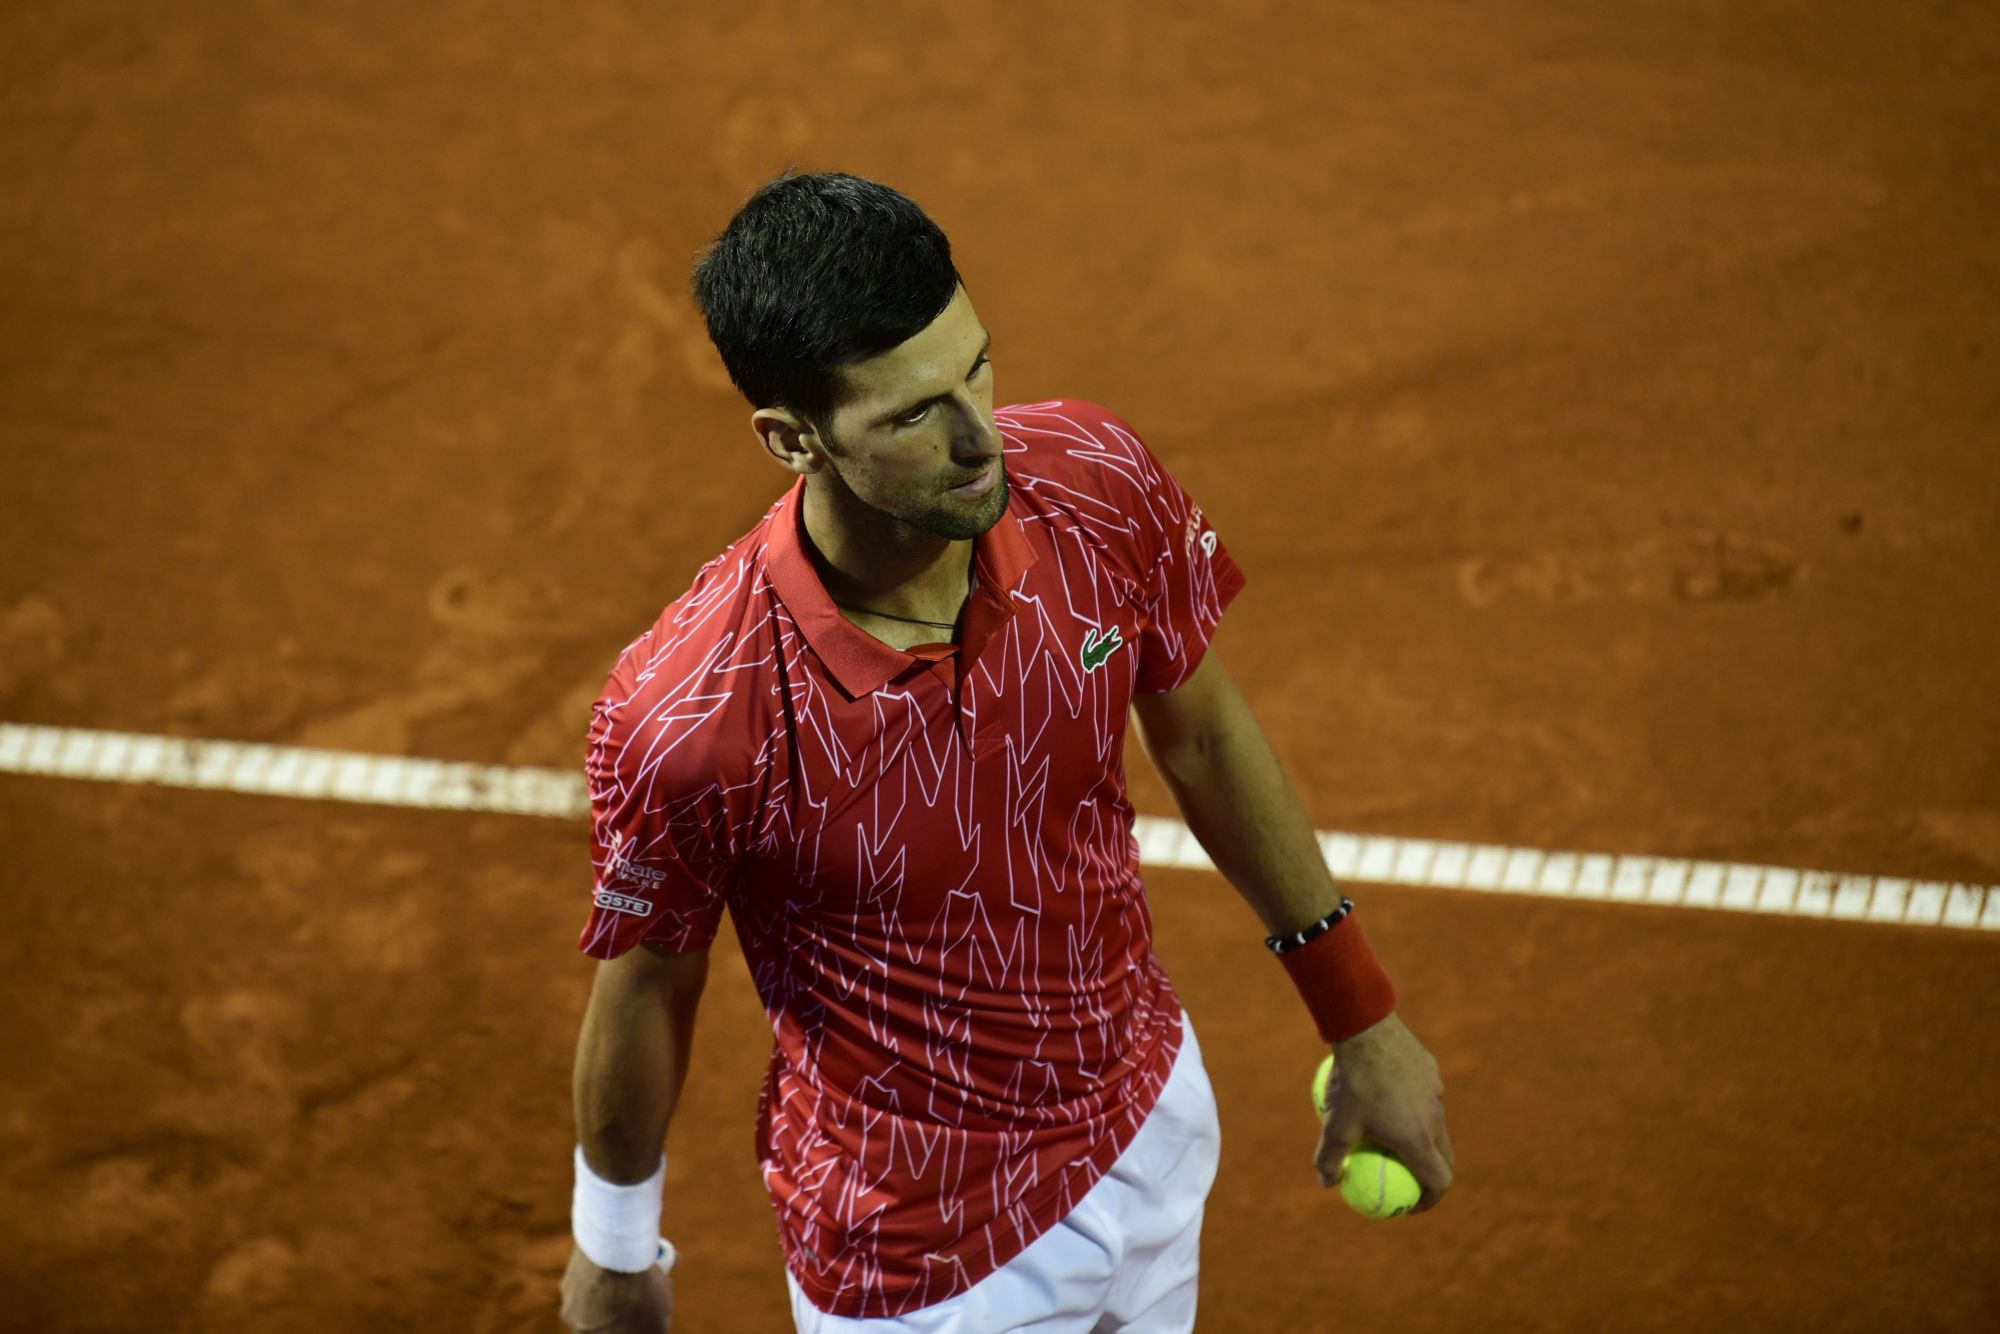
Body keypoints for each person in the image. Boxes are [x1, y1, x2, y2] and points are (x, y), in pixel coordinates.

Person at [558, 172, 1454, 1334]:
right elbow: (647, 979)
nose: (981, 436)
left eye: (974, 366)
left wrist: (1360, 1015)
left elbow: (1205, 734)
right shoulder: (691, 714)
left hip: (1149, 1119)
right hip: (923, 1256)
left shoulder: (1090, 482)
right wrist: (616, 1251)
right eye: (911, 412)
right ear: (792, 439)